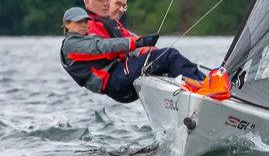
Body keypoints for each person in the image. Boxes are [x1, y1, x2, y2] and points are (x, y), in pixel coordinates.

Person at [60, 7, 205, 103]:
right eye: (79, 22)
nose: (84, 24)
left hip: (119, 82)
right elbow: (103, 46)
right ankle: (205, 88)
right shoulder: (70, 44)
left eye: (86, 21)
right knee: (168, 55)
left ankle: (196, 90)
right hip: (115, 82)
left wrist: (141, 49)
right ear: (67, 25)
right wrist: (139, 42)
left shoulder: (82, 39)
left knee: (163, 64)